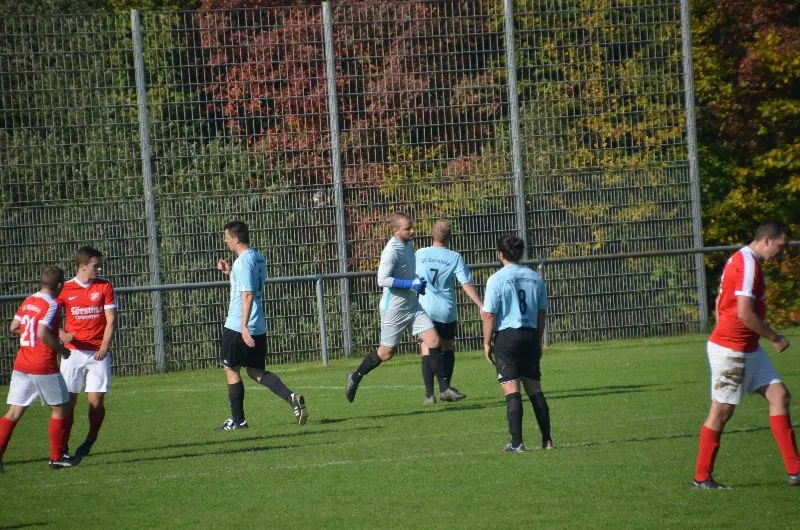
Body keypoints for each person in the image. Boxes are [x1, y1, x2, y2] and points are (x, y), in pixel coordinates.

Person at [693, 221, 799, 489]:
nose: (781, 252)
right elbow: (744, 313)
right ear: (767, 240)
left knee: (779, 395)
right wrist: (775, 337)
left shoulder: (741, 259)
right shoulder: (748, 263)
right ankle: (702, 478)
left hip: (748, 347)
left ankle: (796, 470)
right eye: (780, 246)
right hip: (732, 350)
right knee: (721, 412)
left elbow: (721, 303)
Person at [345, 212, 465, 403]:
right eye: (407, 229)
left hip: (412, 305)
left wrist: (417, 282)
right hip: (394, 309)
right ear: (395, 231)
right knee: (386, 353)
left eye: (412, 227)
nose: (412, 231)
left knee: (434, 341)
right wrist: (409, 284)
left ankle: (445, 389)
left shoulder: (409, 244)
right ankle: (355, 376)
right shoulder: (391, 251)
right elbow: (382, 280)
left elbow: (408, 271)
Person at [217, 220, 307, 429]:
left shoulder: (243, 261)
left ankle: (238, 421)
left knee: (231, 369)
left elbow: (248, 294)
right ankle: (291, 397)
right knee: (255, 371)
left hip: (238, 324)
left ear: (235, 238)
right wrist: (230, 273)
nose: (225, 241)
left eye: (227, 237)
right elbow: (248, 283)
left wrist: (243, 326)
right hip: (258, 324)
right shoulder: (257, 257)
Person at [482, 234, 552, 452]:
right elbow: (541, 313)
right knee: (535, 389)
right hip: (530, 335)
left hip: (508, 337)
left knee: (512, 390)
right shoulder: (535, 278)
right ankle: (547, 440)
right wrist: (537, 340)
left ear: (500, 254)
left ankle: (517, 443)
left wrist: (486, 343)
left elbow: (489, 315)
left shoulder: (496, 279)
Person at [0, 267, 74, 472]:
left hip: (22, 364)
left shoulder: (29, 300)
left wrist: (30, 338)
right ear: (59, 285)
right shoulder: (52, 304)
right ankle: (56, 457)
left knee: (14, 412)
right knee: (61, 408)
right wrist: (61, 350)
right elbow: (42, 333)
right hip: (42, 364)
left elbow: (14, 327)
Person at [58, 246, 117, 461]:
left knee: (96, 402)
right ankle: (62, 446)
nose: (99, 269)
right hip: (72, 354)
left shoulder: (104, 286)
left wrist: (104, 346)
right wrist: (61, 334)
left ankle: (91, 438)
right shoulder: (65, 289)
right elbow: (48, 318)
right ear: (82, 266)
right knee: (68, 403)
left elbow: (111, 319)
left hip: (97, 353)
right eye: (96, 265)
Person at [416, 219, 483, 403]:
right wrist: (480, 305)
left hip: (424, 309)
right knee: (446, 347)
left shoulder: (420, 253)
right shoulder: (455, 257)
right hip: (446, 310)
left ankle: (429, 395)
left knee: (426, 348)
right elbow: (466, 284)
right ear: (449, 237)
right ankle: (446, 388)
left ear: (432, 234)